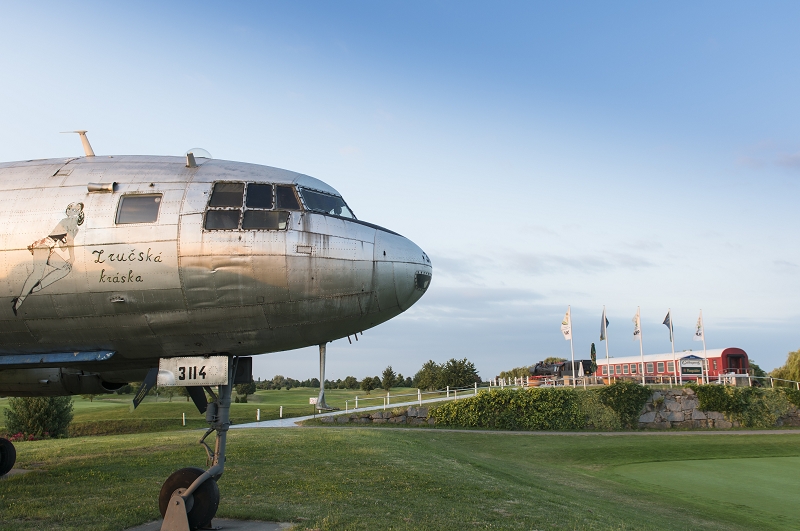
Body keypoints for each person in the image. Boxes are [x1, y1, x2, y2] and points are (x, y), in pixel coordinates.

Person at [12, 203, 84, 315]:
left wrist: (71, 235)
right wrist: (72, 257)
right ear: (68, 211)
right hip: (43, 246)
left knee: (65, 268)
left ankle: (35, 288)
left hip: (49, 248)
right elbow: (69, 241)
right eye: (72, 209)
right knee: (37, 274)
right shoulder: (67, 221)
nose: (74, 211)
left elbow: (63, 247)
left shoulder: (73, 225)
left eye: (77, 210)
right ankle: (19, 300)